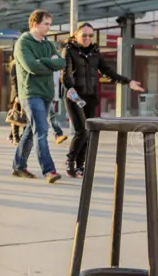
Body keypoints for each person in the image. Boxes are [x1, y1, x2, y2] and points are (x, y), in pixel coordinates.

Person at [61, 22, 145, 177]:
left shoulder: (95, 52)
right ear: (76, 35)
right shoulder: (69, 50)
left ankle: (80, 165)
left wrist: (128, 82)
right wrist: (70, 88)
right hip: (74, 96)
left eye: (90, 35)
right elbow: (65, 73)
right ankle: (70, 161)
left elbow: (107, 71)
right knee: (81, 131)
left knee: (89, 130)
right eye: (84, 35)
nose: (87, 38)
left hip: (90, 96)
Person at [11, 10, 65, 183]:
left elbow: (61, 62)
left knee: (31, 130)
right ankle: (49, 171)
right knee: (41, 130)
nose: (49, 27)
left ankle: (19, 166)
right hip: (30, 93)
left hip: (47, 93)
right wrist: (50, 63)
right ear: (35, 24)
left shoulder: (48, 44)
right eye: (46, 24)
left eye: (50, 24)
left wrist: (45, 62)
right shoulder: (23, 43)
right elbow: (31, 67)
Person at [50, 71, 68, 145]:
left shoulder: (59, 69)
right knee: (51, 115)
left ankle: (58, 134)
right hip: (45, 94)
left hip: (52, 95)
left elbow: (59, 82)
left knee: (51, 116)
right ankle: (58, 134)